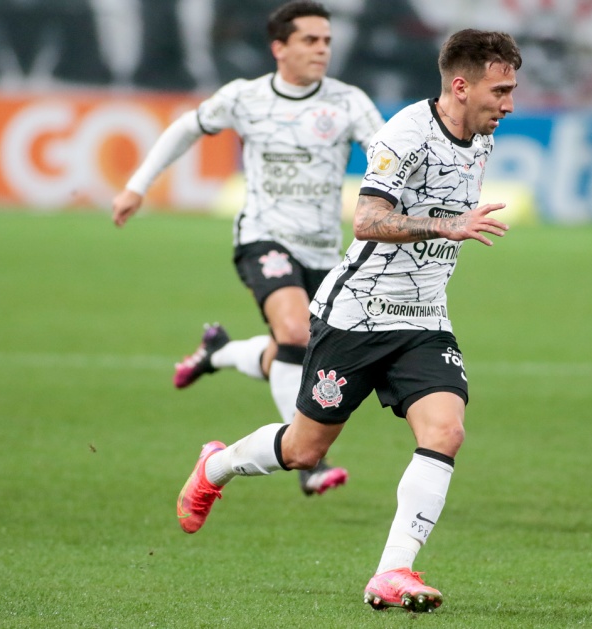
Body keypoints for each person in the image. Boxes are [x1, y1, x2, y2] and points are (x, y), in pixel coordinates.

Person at [175, 28, 521, 612]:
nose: (509, 104)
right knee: (306, 450)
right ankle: (217, 464)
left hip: (424, 318)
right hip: (356, 316)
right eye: (501, 90)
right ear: (461, 86)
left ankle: (393, 572)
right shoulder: (405, 134)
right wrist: (446, 226)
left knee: (446, 431)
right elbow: (366, 219)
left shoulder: (481, 138)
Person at [111, 1, 385, 496]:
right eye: (309, 40)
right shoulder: (245, 98)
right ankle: (308, 463)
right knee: (296, 333)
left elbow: (388, 157)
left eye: (326, 40)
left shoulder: (349, 103)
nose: (322, 49)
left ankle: (219, 352)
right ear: (279, 47)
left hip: (325, 252)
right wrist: (137, 185)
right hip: (264, 237)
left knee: (295, 351)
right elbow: (185, 128)